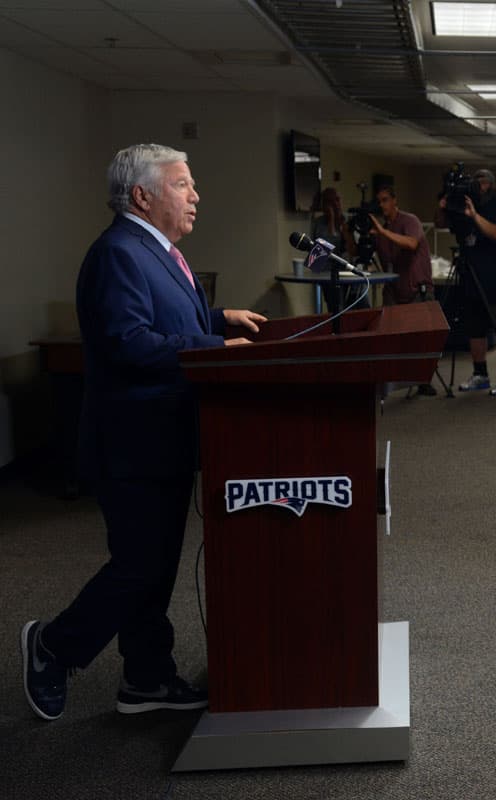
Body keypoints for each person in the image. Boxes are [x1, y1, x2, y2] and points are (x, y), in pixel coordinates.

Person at [21, 143, 266, 721]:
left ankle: (146, 678)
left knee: (154, 567)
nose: (195, 195)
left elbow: (162, 323)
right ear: (143, 195)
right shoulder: (117, 253)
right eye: (183, 185)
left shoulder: (156, 252)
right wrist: (213, 345)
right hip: (132, 443)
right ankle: (53, 645)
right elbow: (128, 343)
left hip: (165, 437)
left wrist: (215, 317)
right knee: (137, 567)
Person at [438, 169, 496, 396]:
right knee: (474, 328)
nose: (479, 186)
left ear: (492, 185)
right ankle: (480, 375)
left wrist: (475, 216)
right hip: (472, 277)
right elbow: (443, 224)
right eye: (475, 182)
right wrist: (444, 206)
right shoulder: (462, 208)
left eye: (483, 182)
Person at [372, 185, 433, 306]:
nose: (381, 205)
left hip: (417, 292)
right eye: (378, 202)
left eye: (385, 200)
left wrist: (384, 232)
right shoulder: (381, 231)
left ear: (394, 200)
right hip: (394, 293)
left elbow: (412, 243)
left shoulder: (409, 220)